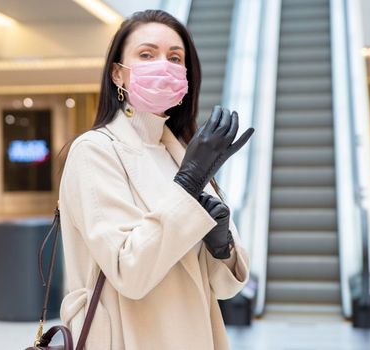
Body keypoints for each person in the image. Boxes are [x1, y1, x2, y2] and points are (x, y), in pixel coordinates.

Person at [57, 9, 254, 350]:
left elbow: (224, 288)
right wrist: (189, 183)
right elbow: (129, 272)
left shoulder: (176, 152)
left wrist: (220, 247)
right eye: (147, 54)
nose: (164, 65)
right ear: (118, 74)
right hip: (127, 337)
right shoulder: (94, 151)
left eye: (175, 58)